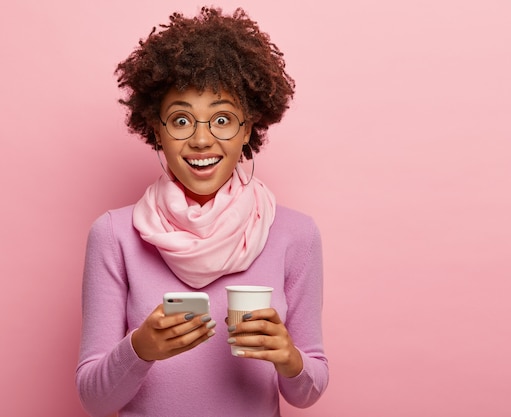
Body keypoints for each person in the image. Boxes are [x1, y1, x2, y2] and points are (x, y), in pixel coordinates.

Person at [75, 7, 328, 417]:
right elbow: (93, 398)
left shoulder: (295, 235)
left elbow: (307, 393)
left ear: (248, 128)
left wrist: (288, 358)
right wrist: (140, 350)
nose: (201, 139)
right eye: (180, 120)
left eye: (222, 119)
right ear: (156, 130)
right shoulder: (114, 235)